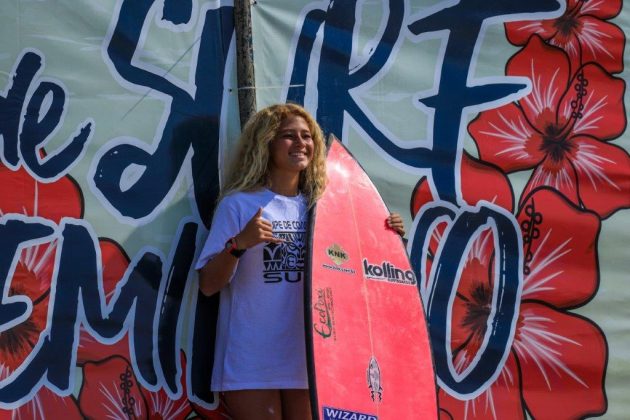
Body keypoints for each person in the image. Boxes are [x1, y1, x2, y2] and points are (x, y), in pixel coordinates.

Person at [195, 103, 405, 420]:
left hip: (312, 359)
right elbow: (209, 284)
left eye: (306, 136)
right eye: (288, 136)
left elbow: (359, 275)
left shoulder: (325, 209)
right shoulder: (239, 205)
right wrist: (239, 244)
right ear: (266, 142)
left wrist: (385, 234)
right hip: (252, 358)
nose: (301, 143)